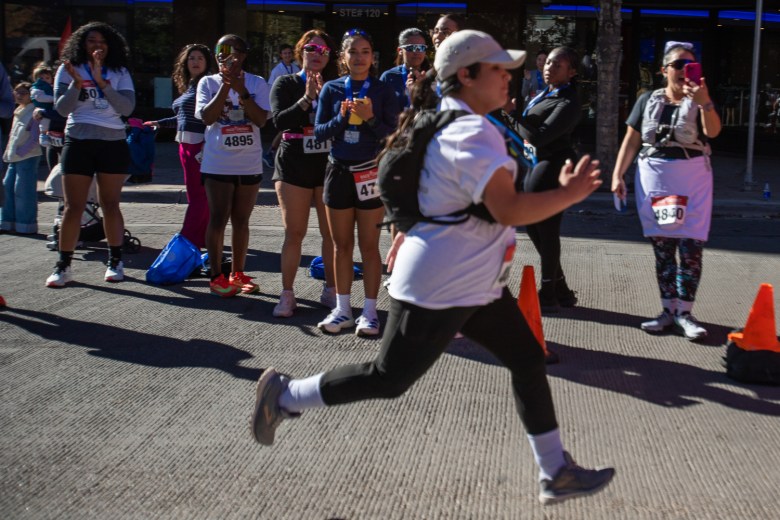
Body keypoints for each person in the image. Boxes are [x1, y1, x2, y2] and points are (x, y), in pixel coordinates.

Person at [251, 30, 614, 506]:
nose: (509, 77)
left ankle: (555, 471)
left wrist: (412, 228)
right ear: (467, 75)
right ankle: (284, 395)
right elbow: (507, 209)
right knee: (388, 377)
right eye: (498, 69)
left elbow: (425, 190)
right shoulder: (471, 132)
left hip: (474, 278)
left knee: (527, 358)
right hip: (444, 281)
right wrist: (568, 194)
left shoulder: (450, 121)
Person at [612, 41, 721, 342]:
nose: (684, 71)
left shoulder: (700, 98)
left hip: (692, 178)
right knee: (663, 248)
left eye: (690, 65)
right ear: (664, 70)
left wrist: (705, 102)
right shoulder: (647, 99)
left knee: (690, 248)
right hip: (656, 178)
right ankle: (667, 310)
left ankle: (685, 313)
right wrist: (618, 174)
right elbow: (631, 140)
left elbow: (713, 131)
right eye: (678, 65)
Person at [313, 28, 398, 336]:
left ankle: (370, 312)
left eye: (365, 52)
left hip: (369, 172)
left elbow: (392, 136)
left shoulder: (383, 90)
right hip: (338, 171)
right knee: (341, 245)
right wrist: (342, 119)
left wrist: (370, 117)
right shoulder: (332, 88)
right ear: (343, 57)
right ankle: (343, 309)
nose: (359, 57)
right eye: (353, 52)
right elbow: (319, 132)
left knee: (369, 246)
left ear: (372, 57)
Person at [46, 21, 136, 287]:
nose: (98, 46)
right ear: (82, 44)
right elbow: (62, 110)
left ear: (110, 45)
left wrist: (101, 83)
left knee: (110, 203)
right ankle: (63, 266)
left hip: (112, 141)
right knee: (73, 206)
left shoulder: (119, 71)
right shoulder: (68, 69)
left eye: (102, 42)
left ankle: (115, 261)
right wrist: (76, 84)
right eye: (92, 41)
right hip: (78, 139)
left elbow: (127, 108)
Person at [502, 47, 582, 312]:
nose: (549, 68)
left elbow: (537, 137)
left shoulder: (568, 101)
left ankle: (548, 293)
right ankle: (560, 289)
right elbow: (524, 133)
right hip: (533, 164)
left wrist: (512, 114)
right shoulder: (545, 93)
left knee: (547, 230)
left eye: (558, 65)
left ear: (572, 72)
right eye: (548, 63)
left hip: (553, 165)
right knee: (534, 228)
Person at [269, 29, 339, 317]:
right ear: (301, 51)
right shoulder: (286, 82)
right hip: (293, 163)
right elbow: (279, 121)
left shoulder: (336, 86)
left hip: (327, 164)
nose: (316, 54)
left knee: (330, 233)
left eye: (323, 50)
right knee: (294, 232)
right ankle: (287, 294)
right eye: (311, 48)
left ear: (330, 56)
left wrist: (324, 99)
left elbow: (345, 124)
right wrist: (306, 98)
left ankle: (332, 290)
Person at [195, 34, 270, 297]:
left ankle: (238, 273)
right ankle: (216, 276)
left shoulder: (257, 82)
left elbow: (260, 120)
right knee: (218, 218)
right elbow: (207, 118)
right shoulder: (207, 82)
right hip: (218, 163)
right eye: (220, 51)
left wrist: (242, 90)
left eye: (231, 51)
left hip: (249, 163)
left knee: (241, 220)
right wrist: (226, 87)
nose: (225, 56)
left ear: (243, 55)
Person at [145, 43, 214, 249]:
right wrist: (159, 123)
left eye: (200, 58)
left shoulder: (209, 84)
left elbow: (214, 116)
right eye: (192, 58)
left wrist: (207, 144)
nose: (195, 62)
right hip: (185, 145)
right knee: (196, 194)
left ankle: (188, 238)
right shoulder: (191, 85)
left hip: (200, 145)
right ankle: (201, 236)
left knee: (199, 195)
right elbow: (182, 118)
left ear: (207, 62)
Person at [1, 82, 42, 234]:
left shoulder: (34, 111)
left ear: (31, 95)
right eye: (17, 92)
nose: (19, 95)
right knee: (7, 188)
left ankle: (26, 224)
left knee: (23, 191)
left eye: (23, 93)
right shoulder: (18, 110)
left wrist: (22, 152)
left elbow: (35, 137)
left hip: (27, 156)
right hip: (14, 156)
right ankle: (7, 222)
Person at [380, 28, 431, 112]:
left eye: (421, 48)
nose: (416, 52)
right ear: (400, 50)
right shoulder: (389, 77)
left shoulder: (432, 76)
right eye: (411, 48)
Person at [30, 63, 55, 147]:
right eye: (41, 78)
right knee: (45, 121)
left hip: (51, 107)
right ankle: (43, 135)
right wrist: (54, 99)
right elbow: (40, 98)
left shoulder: (51, 87)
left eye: (47, 78)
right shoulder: (36, 88)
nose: (44, 80)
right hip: (43, 107)